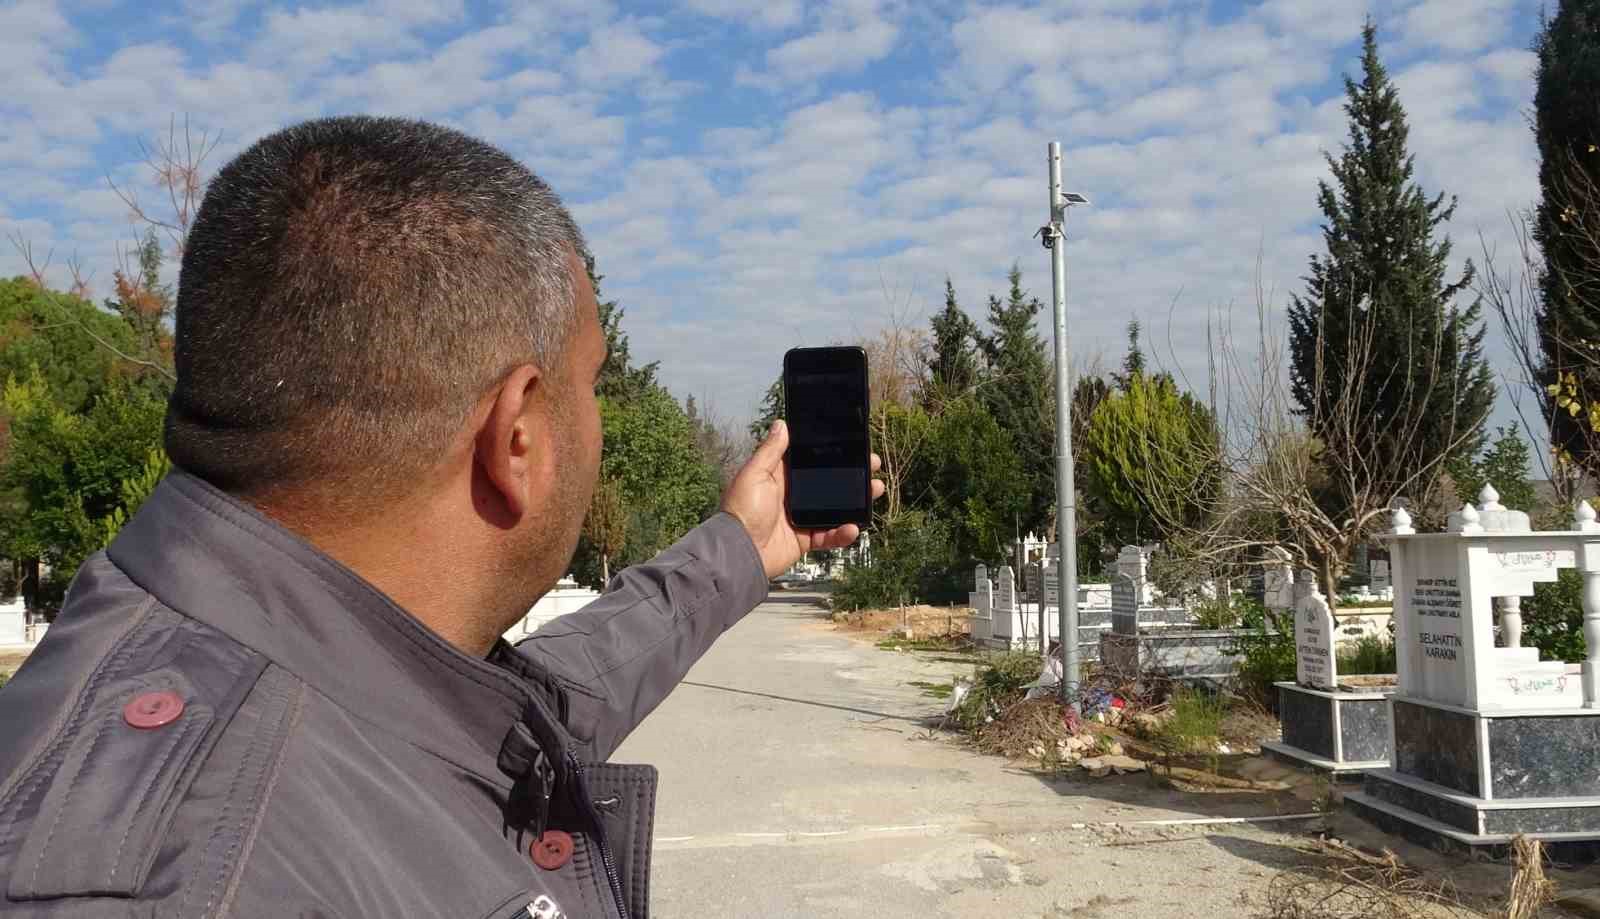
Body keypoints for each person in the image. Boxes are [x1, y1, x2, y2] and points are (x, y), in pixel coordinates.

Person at [0, 116, 880, 919]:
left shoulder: (253, 644)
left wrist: (741, 548)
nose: (601, 418)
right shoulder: (183, 882)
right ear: (519, 436)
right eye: (593, 381)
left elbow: (529, 709)